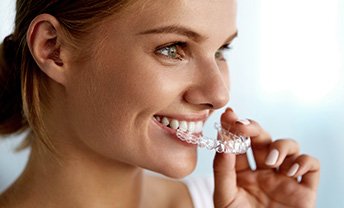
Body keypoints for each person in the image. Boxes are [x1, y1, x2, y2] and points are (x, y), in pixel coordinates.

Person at [0, 0, 320, 207]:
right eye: (172, 49)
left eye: (222, 50)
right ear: (53, 48)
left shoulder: (228, 201)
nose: (219, 94)